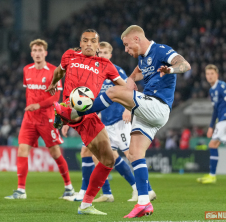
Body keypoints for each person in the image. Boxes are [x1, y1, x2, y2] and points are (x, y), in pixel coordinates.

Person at [53, 25, 191, 218]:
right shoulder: (143, 60)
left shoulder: (160, 50)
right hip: (148, 112)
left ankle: (74, 113)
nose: (125, 50)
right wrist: (131, 82)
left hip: (157, 105)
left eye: (126, 45)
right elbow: (132, 78)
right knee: (134, 153)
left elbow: (185, 64)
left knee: (111, 92)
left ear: (136, 39)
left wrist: (171, 69)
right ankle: (144, 202)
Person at [45, 29, 127, 215]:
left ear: (98, 46)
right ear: (80, 43)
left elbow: (122, 87)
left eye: (93, 41)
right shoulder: (70, 55)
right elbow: (59, 71)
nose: (89, 44)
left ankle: (86, 204)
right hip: (72, 106)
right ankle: (66, 111)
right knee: (74, 105)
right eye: (85, 41)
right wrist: (52, 83)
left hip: (90, 114)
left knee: (107, 160)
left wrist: (131, 102)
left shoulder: (105, 65)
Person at [63, 42, 156, 203]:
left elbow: (130, 90)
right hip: (105, 122)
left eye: (106, 52)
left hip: (120, 121)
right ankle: (107, 193)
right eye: (101, 52)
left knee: (131, 155)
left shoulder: (116, 71)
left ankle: (146, 190)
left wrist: (128, 110)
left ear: (110, 55)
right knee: (98, 156)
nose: (103, 55)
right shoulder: (95, 73)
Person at [5, 39, 74, 200]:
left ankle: (69, 187)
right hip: (29, 119)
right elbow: (29, 92)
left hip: (47, 118)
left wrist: (38, 105)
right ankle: (21, 191)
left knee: (55, 152)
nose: (37, 53)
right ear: (31, 53)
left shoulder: (54, 71)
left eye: (40, 50)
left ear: (45, 53)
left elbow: (56, 97)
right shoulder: (26, 70)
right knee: (22, 150)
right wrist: (32, 106)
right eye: (34, 50)